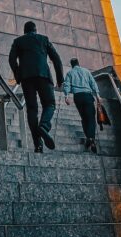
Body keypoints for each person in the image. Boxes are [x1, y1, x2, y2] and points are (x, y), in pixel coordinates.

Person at [9, 20, 63, 152]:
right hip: (43, 75)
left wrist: (18, 75)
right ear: (35, 30)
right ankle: (44, 126)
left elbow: (11, 59)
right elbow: (56, 59)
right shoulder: (44, 39)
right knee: (50, 104)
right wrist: (60, 80)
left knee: (32, 109)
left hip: (27, 78)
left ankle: (38, 144)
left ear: (24, 31)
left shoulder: (18, 41)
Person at [62, 58, 101, 153]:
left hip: (78, 97)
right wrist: (98, 96)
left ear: (71, 65)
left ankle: (88, 138)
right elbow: (93, 83)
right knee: (91, 118)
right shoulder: (86, 71)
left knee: (84, 118)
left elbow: (66, 84)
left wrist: (66, 96)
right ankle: (91, 138)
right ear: (78, 63)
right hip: (88, 96)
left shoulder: (70, 73)